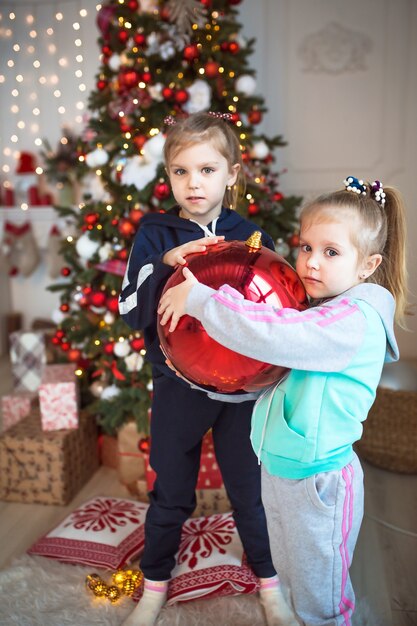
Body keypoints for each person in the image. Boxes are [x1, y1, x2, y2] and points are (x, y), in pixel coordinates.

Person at [158, 176, 410, 626]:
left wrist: (204, 300)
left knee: (323, 599)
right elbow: (268, 358)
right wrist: (208, 375)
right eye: (305, 247)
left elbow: (276, 332)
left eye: (331, 252)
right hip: (282, 471)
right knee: (295, 582)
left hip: (321, 484)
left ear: (368, 265)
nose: (310, 263)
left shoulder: (352, 321)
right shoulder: (322, 308)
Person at [119, 111, 297, 626]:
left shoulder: (249, 236)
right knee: (170, 490)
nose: (194, 183)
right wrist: (168, 261)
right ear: (168, 175)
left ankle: (269, 586)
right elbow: (131, 311)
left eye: (207, 170)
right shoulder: (155, 233)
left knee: (250, 492)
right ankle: (154, 586)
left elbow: (269, 311)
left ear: (232, 174)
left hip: (243, 393)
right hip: (176, 387)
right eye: (181, 171)